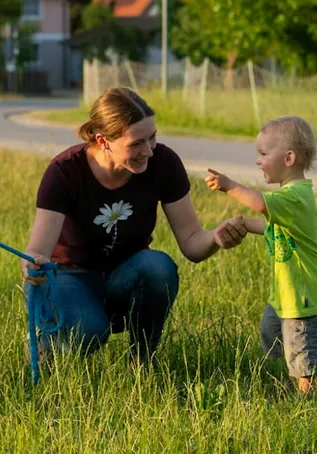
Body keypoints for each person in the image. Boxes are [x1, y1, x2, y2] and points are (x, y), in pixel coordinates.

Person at [22, 87, 248, 368]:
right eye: (136, 143)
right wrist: (32, 264)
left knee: (158, 267)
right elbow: (37, 252)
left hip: (124, 277)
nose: (148, 151)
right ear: (103, 140)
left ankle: (142, 362)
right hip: (70, 276)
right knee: (88, 331)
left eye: (152, 137)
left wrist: (216, 237)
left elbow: (192, 242)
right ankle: (47, 341)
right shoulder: (65, 172)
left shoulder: (163, 163)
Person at [205, 114, 317, 395]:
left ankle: (309, 396)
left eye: (264, 154)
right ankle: (286, 380)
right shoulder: (290, 198)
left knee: (302, 348)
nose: (258, 160)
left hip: (305, 296)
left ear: (288, 159)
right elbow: (271, 226)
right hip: (287, 294)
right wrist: (244, 225)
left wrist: (229, 185)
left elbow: (260, 204)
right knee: (271, 330)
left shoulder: (294, 196)